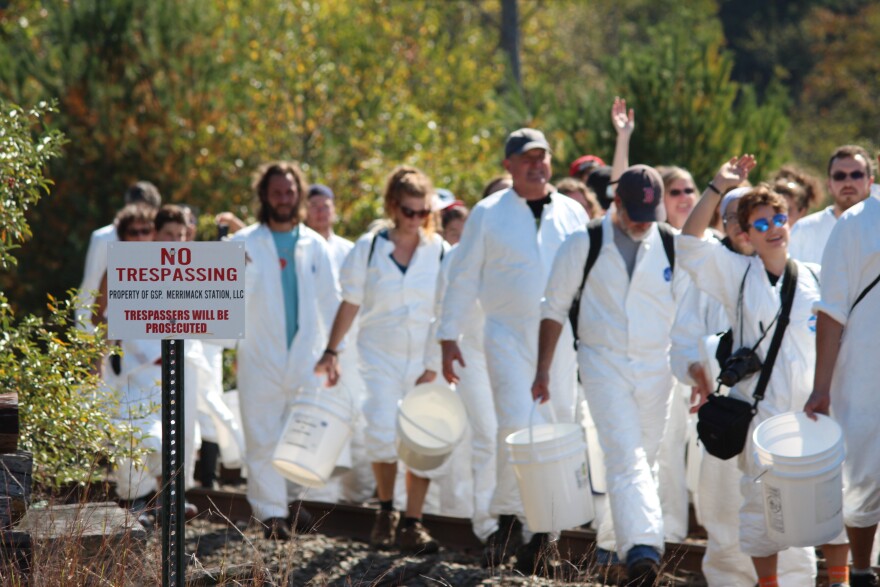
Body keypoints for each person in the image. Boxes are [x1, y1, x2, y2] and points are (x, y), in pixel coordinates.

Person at [680, 156, 849, 587]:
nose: (774, 227)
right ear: (745, 234)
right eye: (760, 224)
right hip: (761, 416)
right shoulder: (736, 275)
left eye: (779, 218)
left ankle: (842, 580)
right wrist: (718, 185)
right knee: (761, 508)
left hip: (813, 411)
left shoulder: (815, 277)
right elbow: (688, 244)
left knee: (829, 501)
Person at [438, 128, 587, 571]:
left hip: (560, 341)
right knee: (514, 425)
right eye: (527, 158)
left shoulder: (572, 214)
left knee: (557, 427)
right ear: (508, 164)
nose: (536, 165)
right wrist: (449, 336)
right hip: (505, 334)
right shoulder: (488, 214)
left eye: (543, 157)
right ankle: (507, 519)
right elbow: (462, 276)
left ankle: (543, 533)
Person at [533, 162, 687, 586]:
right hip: (603, 364)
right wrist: (542, 369)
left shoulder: (671, 244)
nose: (642, 225)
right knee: (624, 455)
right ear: (616, 203)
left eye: (649, 217)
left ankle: (610, 545)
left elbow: (687, 317)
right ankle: (643, 551)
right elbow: (554, 308)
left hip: (658, 368)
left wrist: (696, 372)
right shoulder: (583, 242)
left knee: (645, 458)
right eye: (635, 215)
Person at [314, 166, 447, 554]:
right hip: (378, 356)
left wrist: (439, 359)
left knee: (424, 438)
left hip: (425, 358)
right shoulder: (369, 248)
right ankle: (386, 509)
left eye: (424, 212)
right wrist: (331, 349)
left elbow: (448, 307)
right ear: (392, 206)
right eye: (409, 211)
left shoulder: (439, 251)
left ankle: (413, 522)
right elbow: (350, 301)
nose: (417, 220)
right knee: (382, 432)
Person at [231, 161, 339, 540]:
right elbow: (224, 307)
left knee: (299, 435)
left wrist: (334, 351)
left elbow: (332, 302)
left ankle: (294, 505)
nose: (283, 199)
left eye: (290, 192)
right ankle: (271, 515)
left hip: (306, 357)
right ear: (264, 195)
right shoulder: (241, 243)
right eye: (276, 192)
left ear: (299, 195)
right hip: (259, 356)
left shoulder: (316, 244)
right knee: (261, 435)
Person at [804, 174, 880, 587]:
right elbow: (830, 311)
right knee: (864, 477)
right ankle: (864, 570)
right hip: (864, 373)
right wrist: (822, 387)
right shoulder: (854, 223)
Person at [78, 181, 161, 330]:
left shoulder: (159, 241)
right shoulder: (103, 238)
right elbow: (91, 284)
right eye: (134, 232)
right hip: (100, 329)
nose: (140, 236)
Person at [788, 145, 874, 264]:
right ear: (829, 184)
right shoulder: (803, 230)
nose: (848, 183)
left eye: (856, 175)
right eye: (840, 176)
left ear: (870, 182)